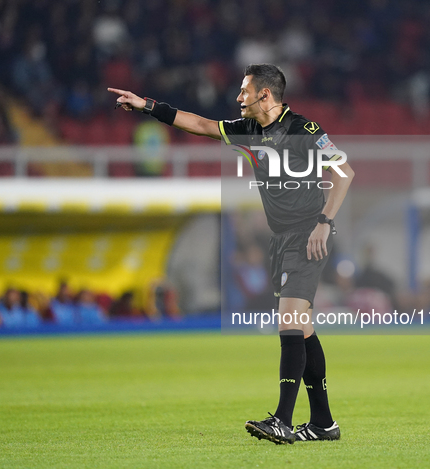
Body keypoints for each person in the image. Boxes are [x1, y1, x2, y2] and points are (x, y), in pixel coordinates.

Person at [108, 63, 354, 445]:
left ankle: (283, 420)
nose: (238, 98)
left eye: (244, 91)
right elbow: (202, 124)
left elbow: (344, 172)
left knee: (288, 322)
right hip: (280, 239)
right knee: (302, 330)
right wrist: (147, 106)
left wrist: (325, 222)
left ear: (265, 95)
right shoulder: (249, 131)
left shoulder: (305, 130)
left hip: (308, 236)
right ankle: (323, 423)